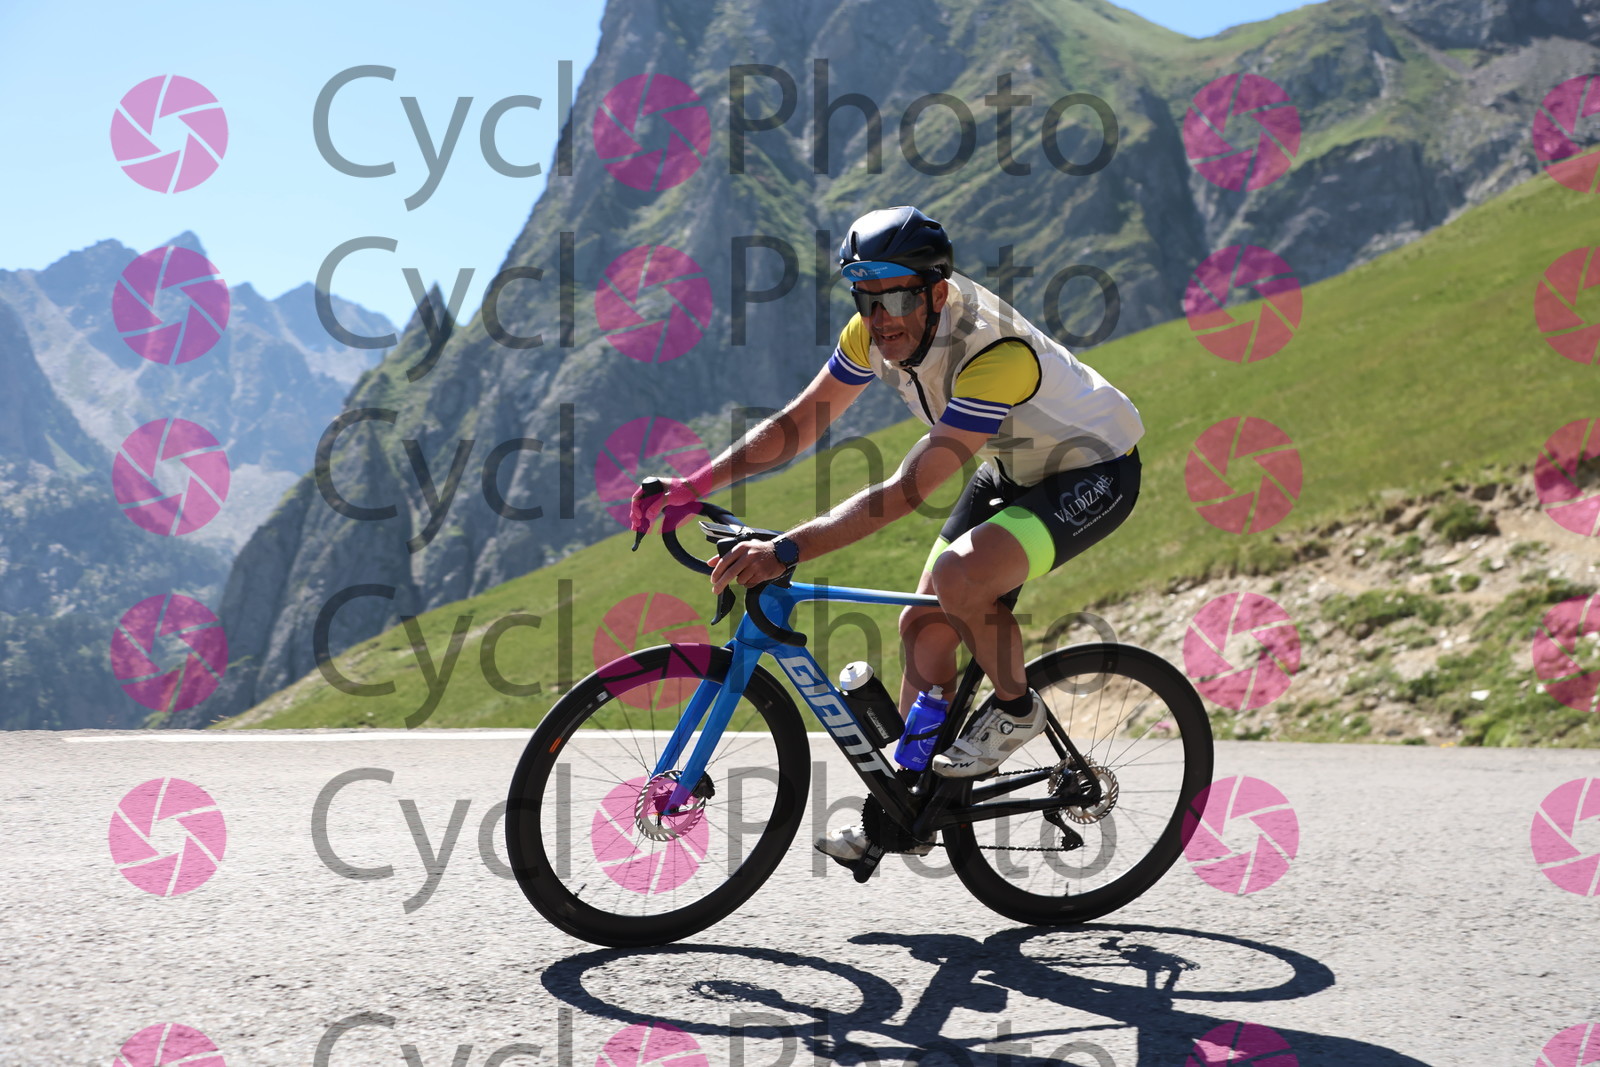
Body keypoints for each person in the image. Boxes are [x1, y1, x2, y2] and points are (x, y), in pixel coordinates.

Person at [629, 205, 1144, 863]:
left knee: (960, 577)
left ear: (936, 293)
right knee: (922, 625)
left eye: (897, 298)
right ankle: (910, 809)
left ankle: (1017, 709)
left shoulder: (995, 352)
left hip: (1093, 469)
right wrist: (692, 484)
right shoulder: (871, 332)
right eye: (866, 300)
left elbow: (908, 490)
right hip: (1011, 466)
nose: (881, 317)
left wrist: (785, 549)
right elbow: (799, 425)